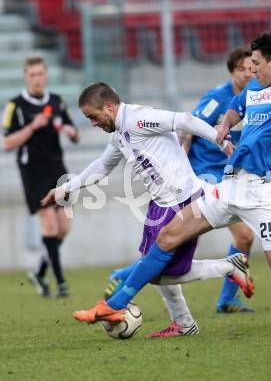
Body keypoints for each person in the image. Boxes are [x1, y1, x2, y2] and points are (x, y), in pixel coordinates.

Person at [73, 27, 271, 330]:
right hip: (228, 187)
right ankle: (114, 304)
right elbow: (234, 107)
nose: (251, 70)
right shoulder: (254, 89)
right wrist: (224, 128)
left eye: (255, 64)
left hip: (260, 193)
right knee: (166, 239)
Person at [41, 82, 254, 337]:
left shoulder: (139, 119)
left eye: (93, 117)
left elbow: (184, 119)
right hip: (160, 204)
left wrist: (220, 141)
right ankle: (186, 320)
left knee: (159, 272)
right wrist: (68, 188)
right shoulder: (120, 132)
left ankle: (116, 306)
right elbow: (102, 165)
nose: (93, 123)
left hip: (181, 200)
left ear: (108, 106)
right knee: (156, 271)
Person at [181, 46, 255, 313]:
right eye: (241, 69)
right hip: (205, 174)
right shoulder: (218, 97)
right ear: (231, 71)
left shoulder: (255, 97)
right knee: (180, 240)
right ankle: (122, 277)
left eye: (251, 68)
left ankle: (226, 299)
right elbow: (190, 127)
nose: (248, 74)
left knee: (244, 237)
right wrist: (182, 162)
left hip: (230, 176)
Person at [1, 56, 79, 298]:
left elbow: (75, 134)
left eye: (40, 74)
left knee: (63, 228)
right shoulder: (15, 106)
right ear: (26, 77)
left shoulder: (57, 101)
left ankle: (38, 273)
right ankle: (61, 283)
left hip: (57, 170)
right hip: (32, 172)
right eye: (32, 74)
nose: (36, 78)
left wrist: (69, 131)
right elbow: (7, 143)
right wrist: (32, 126)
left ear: (46, 75)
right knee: (50, 225)